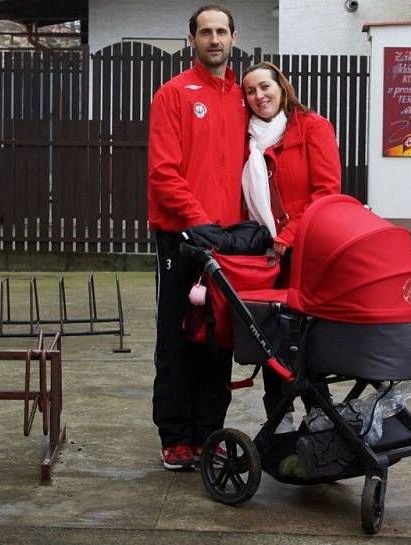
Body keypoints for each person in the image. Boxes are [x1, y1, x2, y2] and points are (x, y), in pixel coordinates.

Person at [147, 4, 247, 470]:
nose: (213, 39)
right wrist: (198, 223)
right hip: (181, 240)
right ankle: (175, 436)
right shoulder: (173, 95)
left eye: (221, 31)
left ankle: (210, 434)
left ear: (233, 38)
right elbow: (164, 174)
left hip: (227, 244)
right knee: (177, 339)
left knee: (218, 340)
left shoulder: (244, 98)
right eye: (204, 32)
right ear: (191, 40)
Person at [240, 61, 341, 429]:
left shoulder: (312, 126)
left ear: (281, 87)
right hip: (267, 255)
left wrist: (288, 236)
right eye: (250, 91)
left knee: (306, 337)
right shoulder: (249, 140)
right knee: (269, 334)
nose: (259, 96)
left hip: (306, 251)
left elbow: (326, 193)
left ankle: (321, 420)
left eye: (264, 86)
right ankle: (279, 423)